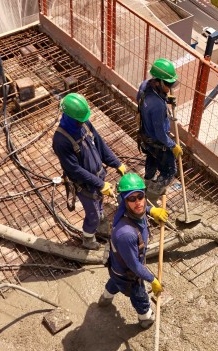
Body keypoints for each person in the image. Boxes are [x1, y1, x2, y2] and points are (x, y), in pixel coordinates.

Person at [53, 93, 126, 250]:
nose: (83, 122)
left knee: (99, 203)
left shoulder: (83, 123)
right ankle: (88, 239)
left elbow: (99, 143)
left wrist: (116, 163)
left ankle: (99, 218)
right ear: (69, 117)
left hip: (98, 177)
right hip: (85, 185)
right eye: (79, 121)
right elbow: (74, 170)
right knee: (92, 215)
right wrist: (100, 184)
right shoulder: (61, 140)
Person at [97, 173, 169, 329]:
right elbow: (134, 266)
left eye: (140, 196)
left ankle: (105, 298)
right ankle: (146, 318)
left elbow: (141, 209)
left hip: (117, 268)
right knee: (140, 296)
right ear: (124, 200)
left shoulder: (133, 211)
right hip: (127, 274)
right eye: (132, 198)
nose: (138, 202)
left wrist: (151, 210)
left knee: (114, 281)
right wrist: (152, 280)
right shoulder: (126, 234)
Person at [137, 58, 181, 197]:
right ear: (158, 82)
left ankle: (148, 180)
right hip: (158, 141)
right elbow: (160, 134)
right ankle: (154, 192)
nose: (170, 87)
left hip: (145, 135)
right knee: (169, 170)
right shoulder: (158, 106)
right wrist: (173, 145)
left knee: (152, 158)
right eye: (168, 84)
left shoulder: (144, 85)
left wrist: (166, 99)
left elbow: (144, 102)